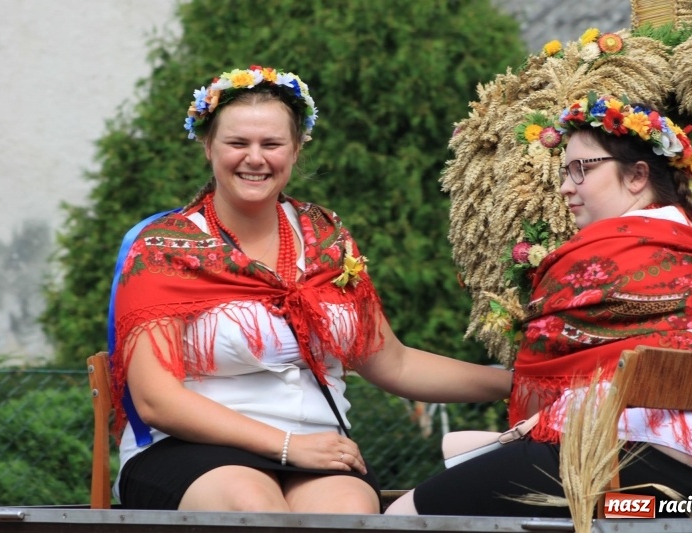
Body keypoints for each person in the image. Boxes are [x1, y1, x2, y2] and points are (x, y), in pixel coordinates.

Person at [108, 65, 511, 514]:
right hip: (187, 447)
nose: (255, 158)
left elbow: (392, 362)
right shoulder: (164, 246)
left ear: (297, 148)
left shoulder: (327, 235)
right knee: (251, 504)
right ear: (208, 146)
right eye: (238, 143)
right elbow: (156, 400)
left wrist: (516, 383)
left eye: (272, 144)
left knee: (348, 513)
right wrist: (287, 445)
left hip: (319, 447)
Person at [386, 94, 692, 517]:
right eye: (565, 171)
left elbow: (542, 373)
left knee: (404, 514)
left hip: (619, 473)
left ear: (637, 175)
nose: (567, 186)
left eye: (581, 169)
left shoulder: (600, 253)